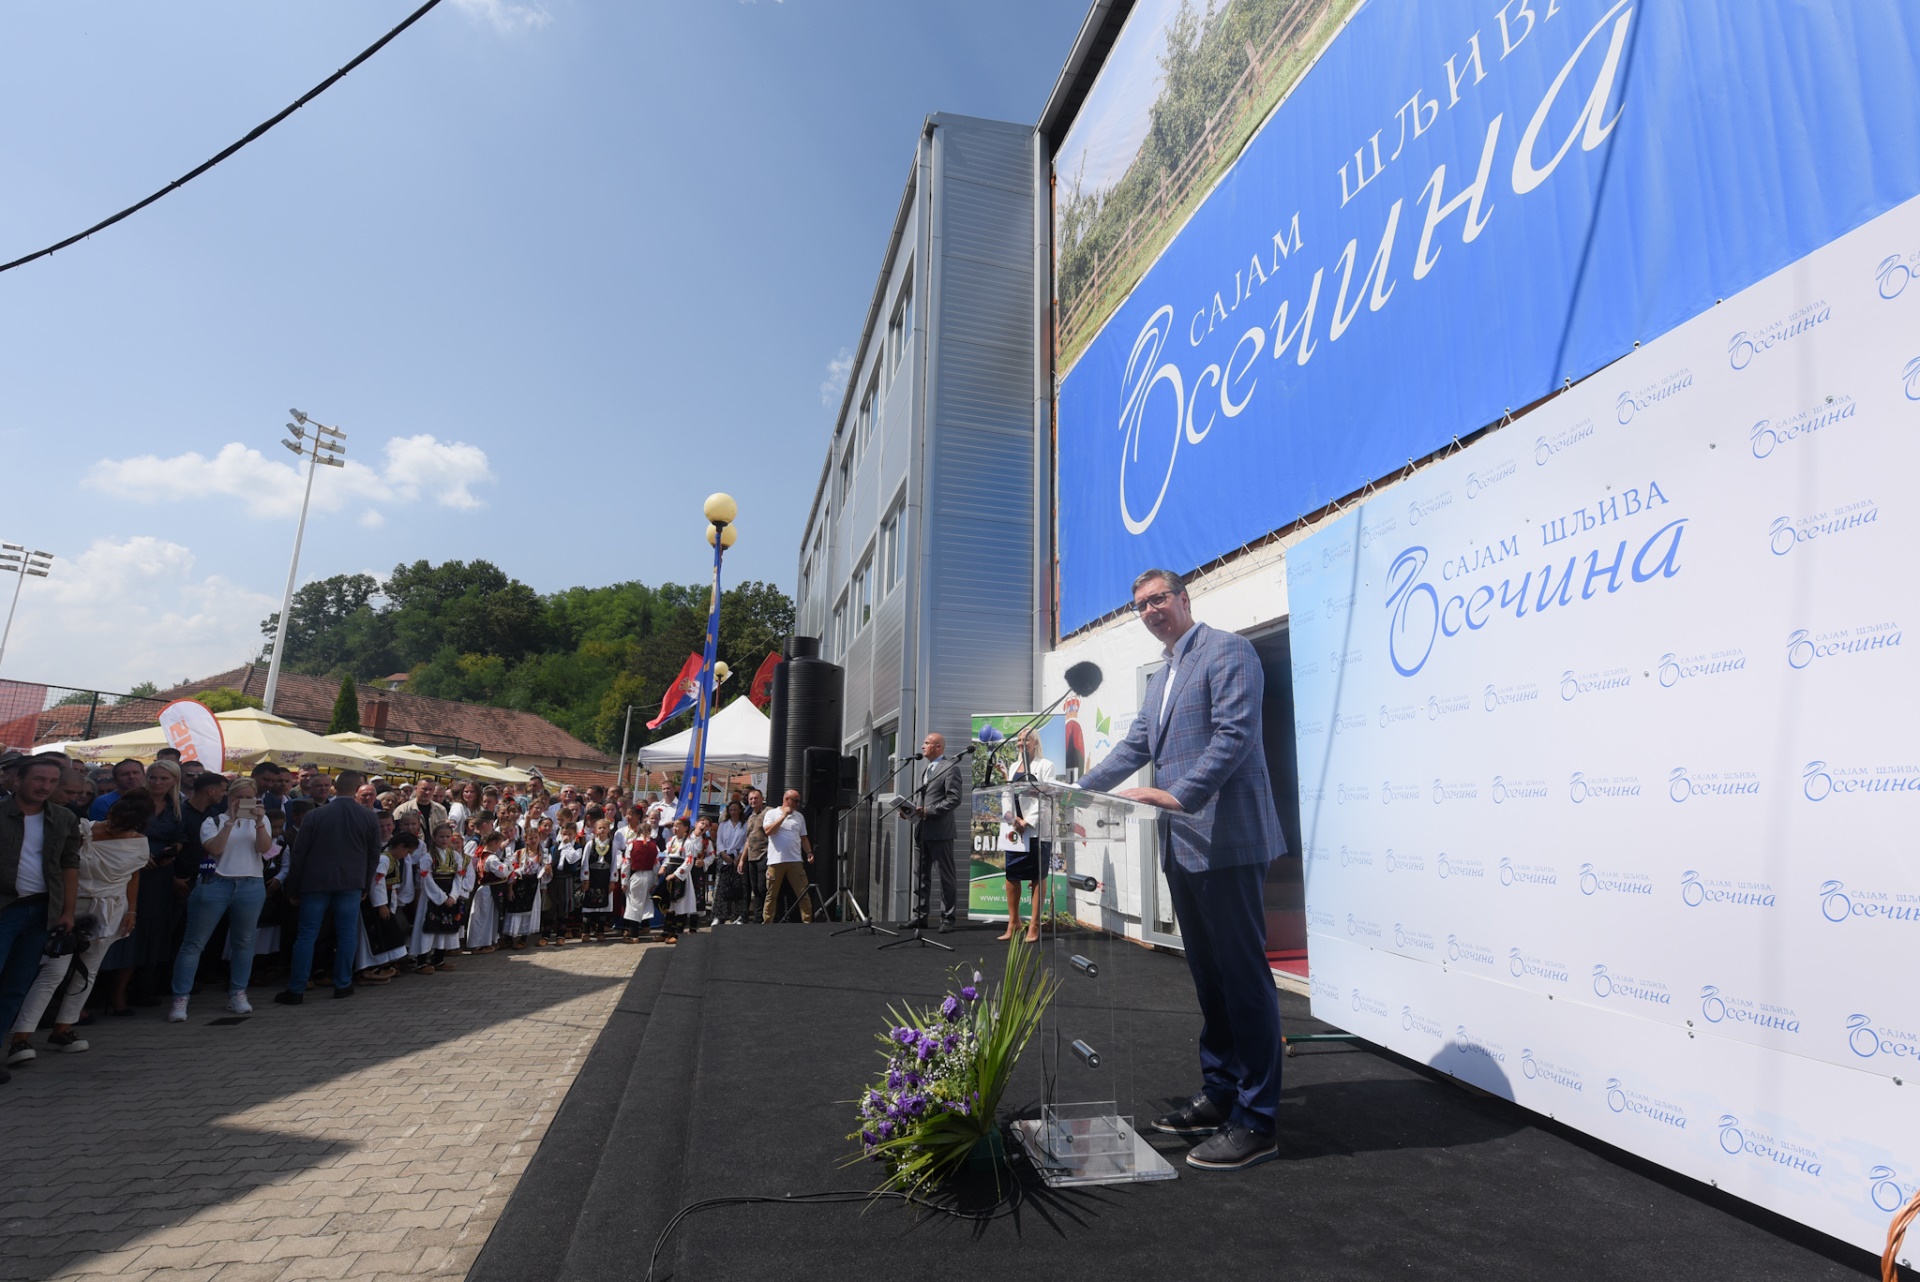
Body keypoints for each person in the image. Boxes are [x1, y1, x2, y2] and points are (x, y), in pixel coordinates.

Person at [1079, 568, 1285, 1172]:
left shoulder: (1229, 651)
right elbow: (1133, 748)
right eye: (1139, 605)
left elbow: (1236, 735)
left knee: (1243, 978)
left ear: (1184, 599)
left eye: (1158, 599)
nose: (1149, 611)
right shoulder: (1163, 677)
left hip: (1228, 840)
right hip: (1187, 844)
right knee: (1210, 979)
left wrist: (1176, 795)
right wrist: (1070, 792)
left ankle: (1259, 1118)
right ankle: (1223, 1091)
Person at [7, 792, 153, 1062]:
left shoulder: (138, 844)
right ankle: (21, 1037)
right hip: (71, 907)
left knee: (87, 970)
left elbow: (134, 877)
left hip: (109, 909)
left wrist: (131, 910)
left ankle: (63, 1029)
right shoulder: (82, 829)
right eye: (114, 818)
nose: (114, 824)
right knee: (53, 971)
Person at [0, 756, 82, 1082]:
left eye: (51, 781)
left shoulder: (63, 817)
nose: (45, 786)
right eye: (38, 779)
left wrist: (67, 912)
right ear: (17, 780)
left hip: (41, 912)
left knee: (16, 987)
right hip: (5, 910)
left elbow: (70, 865)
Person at [169, 776, 274, 1020]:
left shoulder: (263, 819)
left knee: (244, 942)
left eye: (250, 798)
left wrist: (258, 822)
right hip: (216, 882)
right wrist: (231, 822)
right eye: (239, 797)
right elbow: (215, 849)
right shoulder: (213, 820)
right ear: (229, 797)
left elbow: (264, 848)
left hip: (250, 883)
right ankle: (180, 998)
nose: (244, 802)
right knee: (194, 943)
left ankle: (238, 993)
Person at [277, 769, 382, 1005]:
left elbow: (299, 854)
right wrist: (365, 884)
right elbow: (373, 855)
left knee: (306, 935)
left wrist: (293, 888)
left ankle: (296, 988)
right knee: (346, 935)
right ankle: (342, 984)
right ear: (357, 789)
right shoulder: (368, 817)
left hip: (315, 882)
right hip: (351, 882)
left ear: (334, 787)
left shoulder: (316, 815)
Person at [996, 728, 1057, 944]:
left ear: (1035, 742)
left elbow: (1046, 797)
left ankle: (1033, 924)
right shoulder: (1013, 766)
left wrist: (1027, 821)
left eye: (1025, 740)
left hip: (1035, 831)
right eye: (1019, 740)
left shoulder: (1046, 765)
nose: (1021, 743)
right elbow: (1007, 792)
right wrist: (1011, 817)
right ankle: (1014, 922)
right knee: (1011, 875)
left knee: (1037, 876)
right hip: (1015, 830)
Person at [909, 732, 964, 932]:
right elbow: (925, 799)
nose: (923, 746)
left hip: (941, 832)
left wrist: (928, 811)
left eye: (927, 743)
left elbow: (954, 799)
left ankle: (948, 918)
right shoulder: (926, 770)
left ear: (938, 747)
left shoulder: (950, 768)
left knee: (945, 877)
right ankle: (920, 917)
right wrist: (910, 811)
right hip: (921, 831)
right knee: (920, 877)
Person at [354, 831, 415, 983]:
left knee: (385, 933)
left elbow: (391, 885)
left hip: (385, 900)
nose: (407, 855)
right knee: (374, 936)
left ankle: (378, 964)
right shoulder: (384, 860)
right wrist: (381, 905)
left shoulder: (392, 860)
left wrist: (391, 905)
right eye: (407, 851)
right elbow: (377, 882)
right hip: (374, 904)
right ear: (401, 846)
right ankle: (368, 968)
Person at [410, 823, 470, 970]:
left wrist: (454, 896)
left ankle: (439, 959)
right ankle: (422, 961)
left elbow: (458, 877)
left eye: (448, 836)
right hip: (432, 896)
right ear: (434, 838)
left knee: (444, 927)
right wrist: (441, 897)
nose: (444, 840)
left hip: (449, 893)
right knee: (428, 927)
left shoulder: (455, 856)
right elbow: (427, 880)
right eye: (441, 836)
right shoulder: (427, 857)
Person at [760, 789, 814, 924]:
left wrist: (809, 852)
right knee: (771, 895)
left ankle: (807, 922)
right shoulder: (771, 813)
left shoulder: (799, 817)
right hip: (776, 861)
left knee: (803, 893)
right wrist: (783, 816)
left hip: (795, 860)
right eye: (795, 800)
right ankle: (767, 922)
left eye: (798, 801)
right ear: (786, 799)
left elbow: (804, 837)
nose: (797, 803)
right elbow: (768, 831)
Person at [655, 817, 699, 939]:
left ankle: (678, 933)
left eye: (678, 826)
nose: (675, 828)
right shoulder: (672, 841)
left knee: (680, 902)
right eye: (674, 826)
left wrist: (676, 874)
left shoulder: (689, 843)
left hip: (681, 876)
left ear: (685, 828)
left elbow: (689, 861)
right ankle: (667, 931)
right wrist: (663, 867)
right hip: (670, 873)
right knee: (669, 903)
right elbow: (668, 857)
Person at [618, 821, 657, 941]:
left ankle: (634, 935)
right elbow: (656, 864)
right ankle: (646, 926)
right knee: (644, 901)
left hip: (637, 876)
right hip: (649, 875)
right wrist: (654, 881)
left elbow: (626, 864)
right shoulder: (654, 845)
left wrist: (624, 882)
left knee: (633, 904)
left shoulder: (632, 844)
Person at [580, 818, 617, 941]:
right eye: (599, 828)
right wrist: (585, 879)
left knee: (603, 904)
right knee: (589, 904)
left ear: (608, 829)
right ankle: (585, 931)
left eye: (604, 828)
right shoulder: (590, 844)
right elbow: (585, 862)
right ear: (595, 830)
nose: (602, 830)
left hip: (604, 877)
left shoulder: (612, 845)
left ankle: (600, 931)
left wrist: (612, 881)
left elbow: (614, 864)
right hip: (592, 876)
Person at [714, 801, 749, 924]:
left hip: (739, 858)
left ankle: (738, 915)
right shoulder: (723, 825)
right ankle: (720, 916)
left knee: (739, 888)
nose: (733, 812)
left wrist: (739, 857)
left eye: (735, 809)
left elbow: (746, 842)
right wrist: (723, 854)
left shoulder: (745, 825)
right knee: (721, 887)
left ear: (740, 810)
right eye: (731, 810)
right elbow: (719, 841)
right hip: (724, 857)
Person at [741, 789, 769, 923]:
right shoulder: (750, 817)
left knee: (764, 888)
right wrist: (742, 860)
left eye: (755, 798)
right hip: (752, 857)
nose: (753, 801)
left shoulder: (769, 812)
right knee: (756, 890)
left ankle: (767, 917)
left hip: (765, 856)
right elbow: (748, 839)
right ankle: (758, 919)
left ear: (762, 798)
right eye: (751, 799)